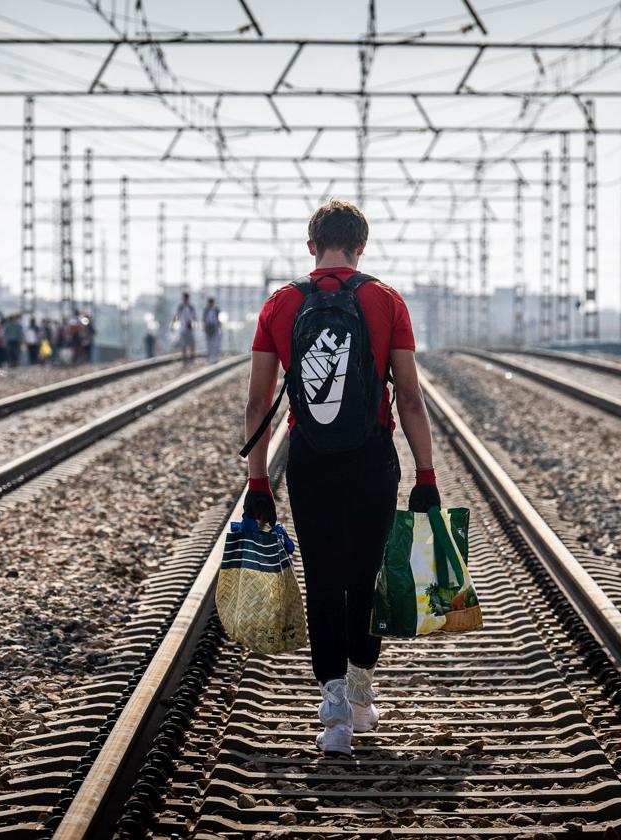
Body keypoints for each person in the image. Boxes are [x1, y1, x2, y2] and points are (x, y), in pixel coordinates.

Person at [241, 199, 439, 759]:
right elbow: (410, 397)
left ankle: (332, 711)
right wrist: (426, 473)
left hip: (309, 458)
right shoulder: (385, 300)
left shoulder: (281, 304)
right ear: (361, 246)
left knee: (323, 576)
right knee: (367, 574)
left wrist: (259, 481)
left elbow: (258, 403)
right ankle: (359, 689)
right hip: (372, 458)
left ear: (312, 247)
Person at [172, 291, 197, 363]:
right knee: (183, 344)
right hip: (182, 328)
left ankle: (192, 357)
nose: (185, 299)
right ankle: (184, 358)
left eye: (186, 298)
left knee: (192, 343)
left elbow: (195, 317)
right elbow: (176, 316)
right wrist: (173, 325)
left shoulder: (191, 307)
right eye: (184, 298)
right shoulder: (180, 307)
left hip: (190, 328)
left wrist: (194, 325)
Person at [203, 296, 222, 364]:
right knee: (209, 344)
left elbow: (218, 319)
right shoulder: (206, 310)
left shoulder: (216, 309)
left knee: (215, 344)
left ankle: (215, 358)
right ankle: (210, 358)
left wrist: (219, 326)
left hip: (215, 328)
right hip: (209, 328)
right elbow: (204, 319)